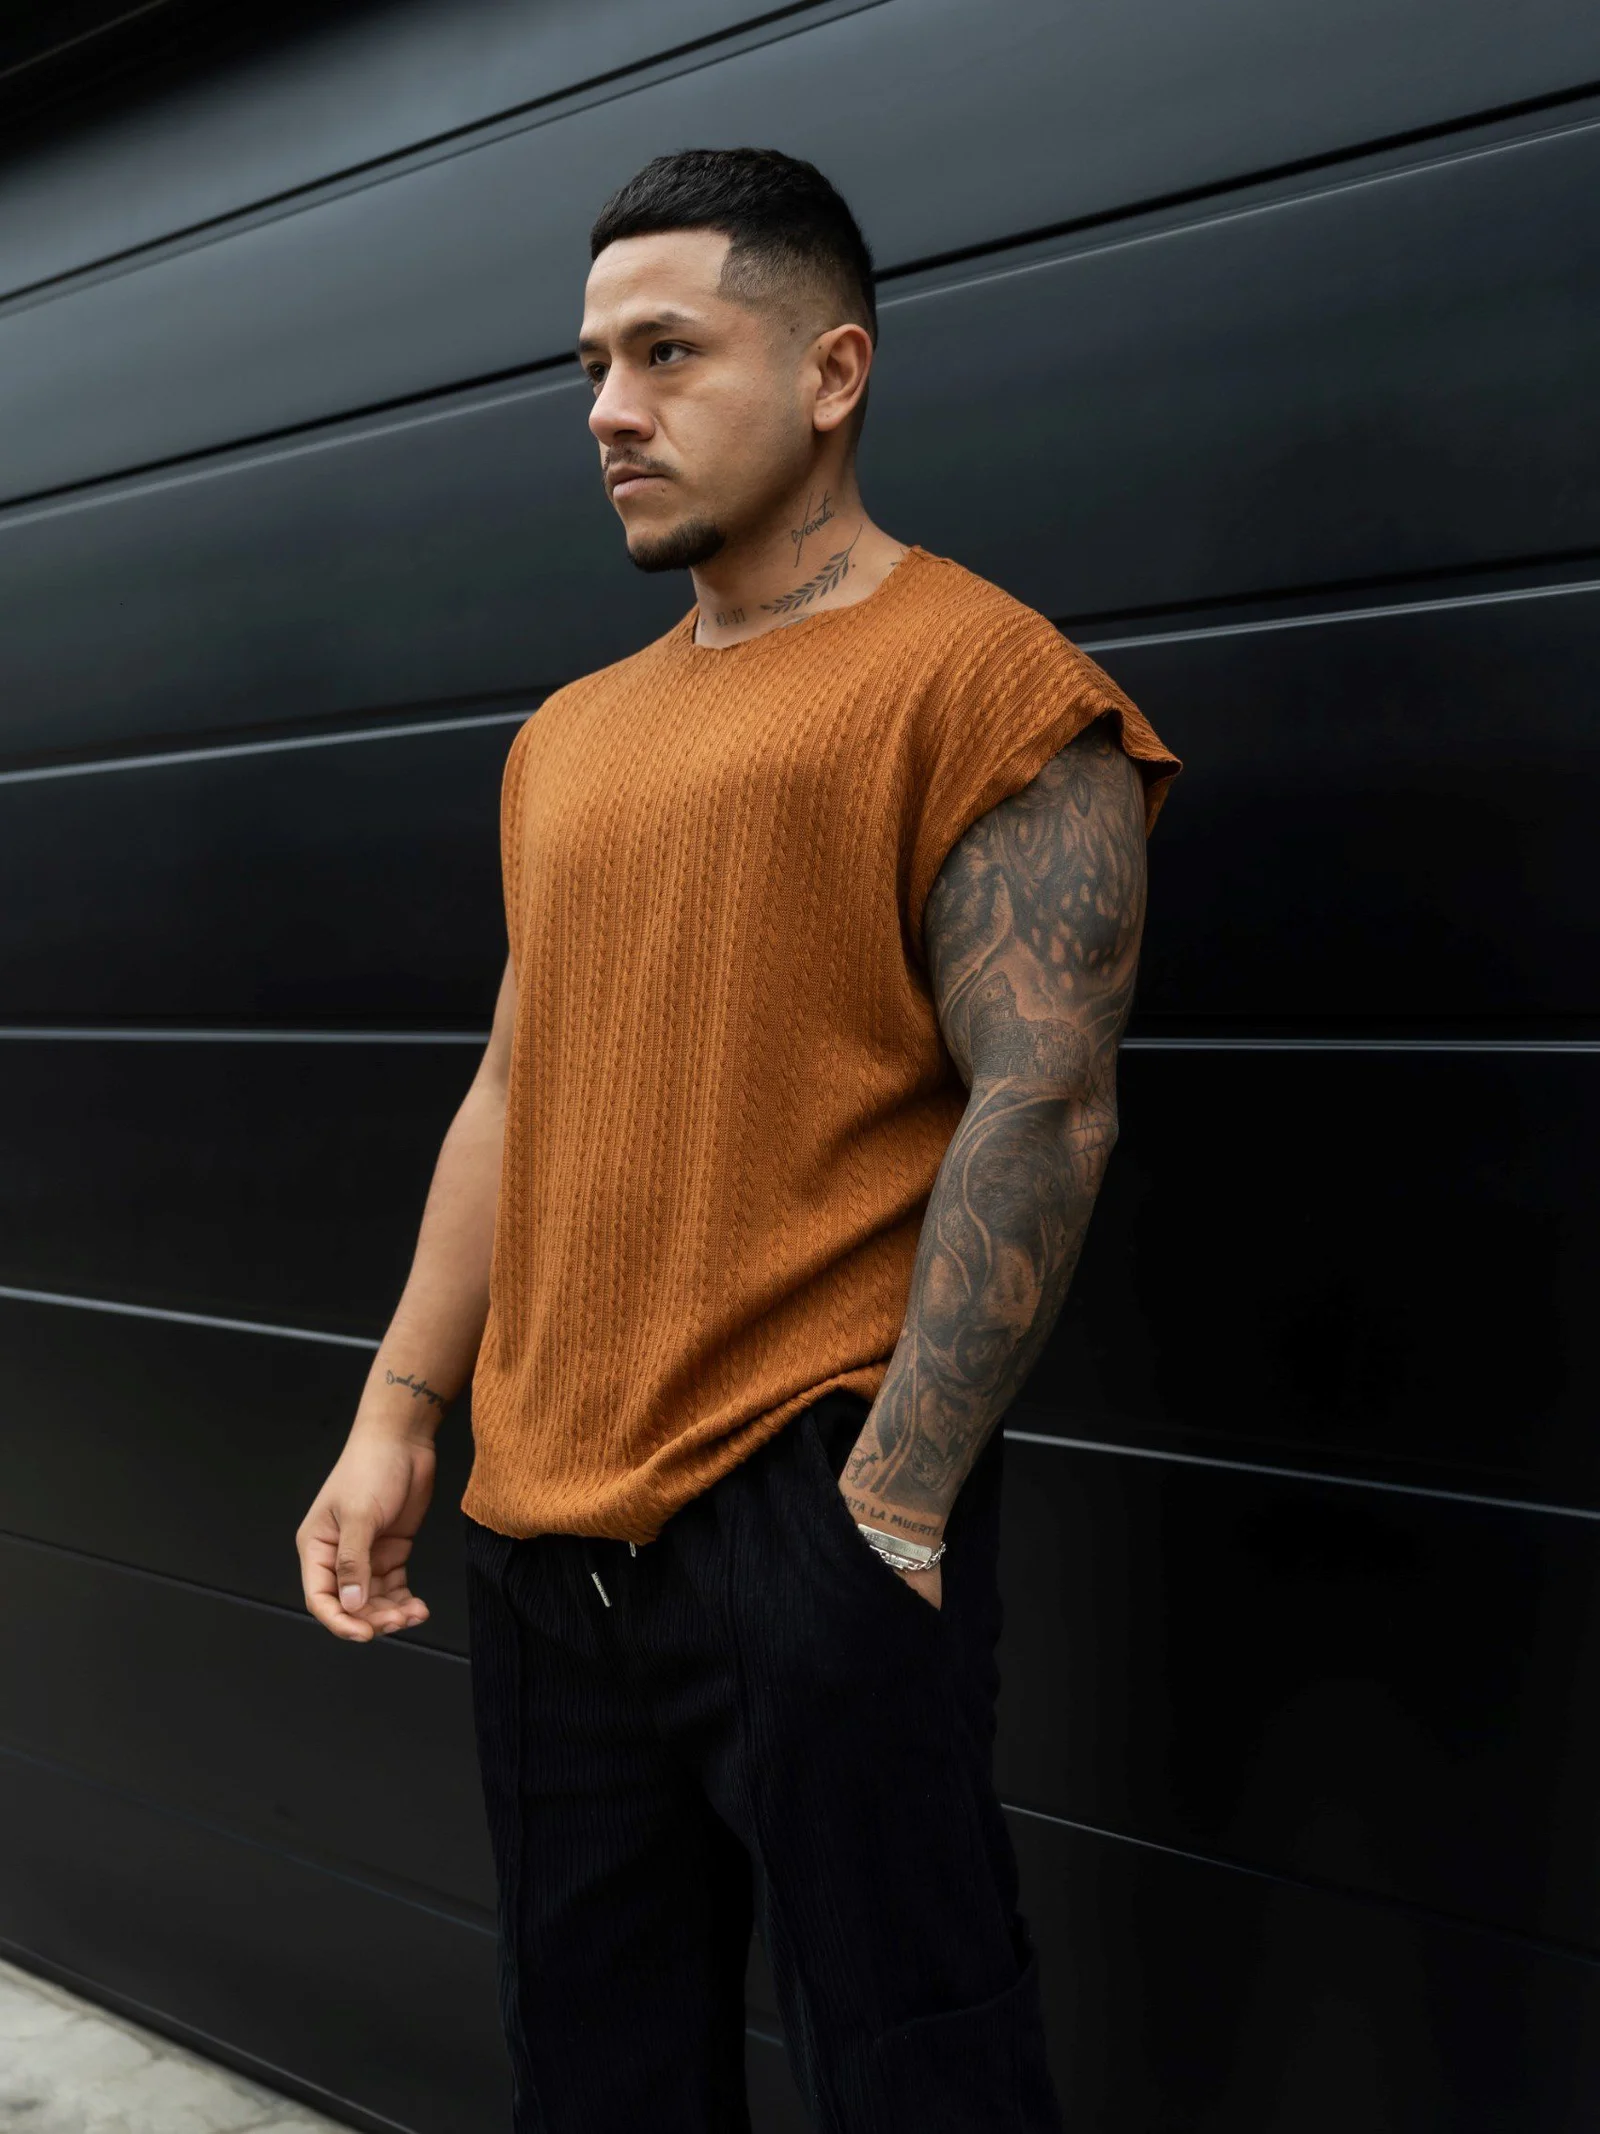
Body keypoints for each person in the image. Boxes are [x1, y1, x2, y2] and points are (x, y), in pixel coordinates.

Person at [296, 147, 1182, 2132]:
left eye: (668, 351)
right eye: (592, 366)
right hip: (543, 1533)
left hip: (806, 1504)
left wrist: (893, 1504)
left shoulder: (985, 685)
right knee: (595, 2077)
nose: (609, 410)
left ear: (832, 370)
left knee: (919, 2070)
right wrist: (396, 1412)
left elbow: (1046, 1097)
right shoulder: (567, 737)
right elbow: (515, 1082)